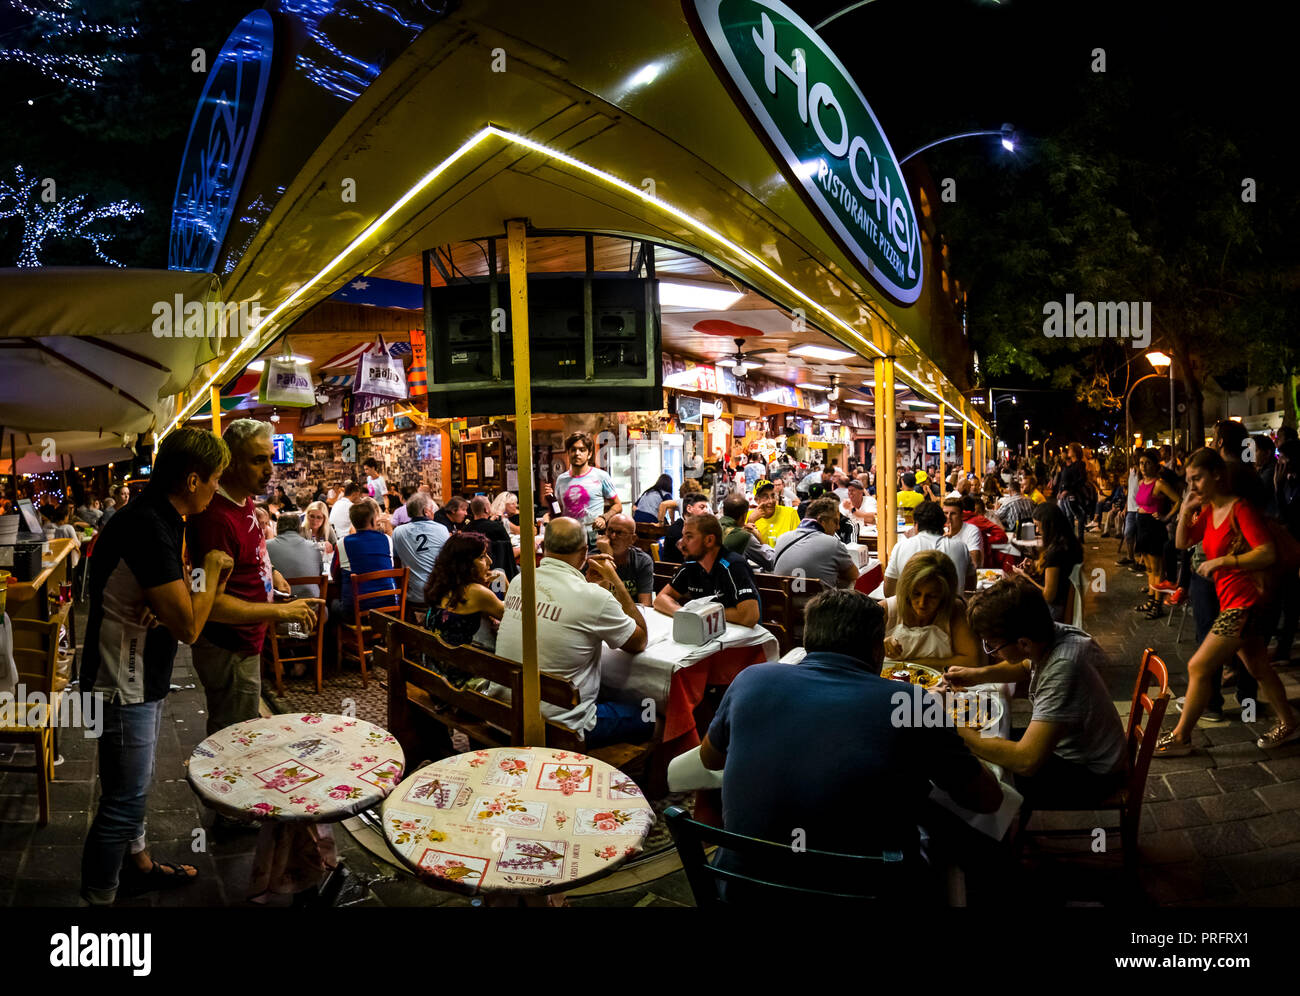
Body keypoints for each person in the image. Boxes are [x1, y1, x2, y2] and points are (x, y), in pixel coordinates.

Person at [699, 588, 1001, 885]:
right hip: (863, 892)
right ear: (876, 649)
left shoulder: (751, 679)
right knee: (951, 837)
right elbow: (988, 799)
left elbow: (710, 758)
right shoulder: (912, 703)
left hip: (743, 888)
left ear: (807, 641)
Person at [80, 428, 235, 905]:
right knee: (122, 803)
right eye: (215, 480)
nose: (217, 490)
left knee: (130, 787)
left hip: (131, 675)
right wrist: (210, 569)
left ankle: (139, 867)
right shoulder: (149, 523)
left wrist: (166, 598)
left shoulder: (160, 518)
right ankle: (98, 898)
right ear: (192, 479)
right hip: (121, 682)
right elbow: (189, 626)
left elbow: (168, 594)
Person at [1155, 448, 1300, 755]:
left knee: (1198, 666)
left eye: (1198, 479)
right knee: (1259, 667)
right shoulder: (1208, 510)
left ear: (1217, 475)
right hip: (1231, 601)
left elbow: (1267, 552)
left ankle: (1182, 738)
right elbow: (1182, 541)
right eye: (1189, 480)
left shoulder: (1240, 509)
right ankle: (1290, 722)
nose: (1192, 485)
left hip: (1244, 604)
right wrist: (1185, 509)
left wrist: (1223, 561)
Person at [186, 419, 320, 736]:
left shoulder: (243, 499)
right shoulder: (213, 518)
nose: (269, 468)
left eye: (270, 458)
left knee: (242, 728)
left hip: (245, 640)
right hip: (227, 646)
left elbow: (249, 553)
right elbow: (208, 604)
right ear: (230, 462)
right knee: (233, 738)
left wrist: (271, 572)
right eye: (258, 460)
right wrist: (279, 611)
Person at [945, 578, 1128, 809]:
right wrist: (977, 675)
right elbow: (1024, 666)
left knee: (979, 783)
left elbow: (1026, 761)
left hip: (1091, 774)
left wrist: (951, 728)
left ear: (1023, 644)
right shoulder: (1049, 633)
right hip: (1079, 749)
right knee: (989, 739)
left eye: (993, 646)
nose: (993, 653)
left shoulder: (1063, 667)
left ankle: (1000, 839)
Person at [494, 517, 650, 748]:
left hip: (505, 712)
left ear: (544, 549)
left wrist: (590, 587)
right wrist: (613, 579)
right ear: (585, 552)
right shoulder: (593, 598)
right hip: (563, 729)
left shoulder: (520, 581)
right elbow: (640, 640)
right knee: (652, 710)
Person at [880, 550, 981, 670]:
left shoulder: (955, 609)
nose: (922, 603)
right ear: (906, 589)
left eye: (932, 596)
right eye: (916, 594)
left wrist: (909, 665)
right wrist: (879, 647)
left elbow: (972, 660)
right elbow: (857, 658)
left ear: (945, 595)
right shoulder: (885, 611)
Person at [654, 513, 761, 627]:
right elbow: (660, 599)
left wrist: (702, 614)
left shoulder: (733, 566)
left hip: (741, 639)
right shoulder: (691, 565)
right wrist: (684, 613)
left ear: (709, 540)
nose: (682, 544)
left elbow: (749, 616)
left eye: (689, 537)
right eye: (683, 536)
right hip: (708, 633)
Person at [424, 531, 505, 675]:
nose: (490, 562)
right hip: (457, 680)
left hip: (432, 670)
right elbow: (514, 615)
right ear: (464, 564)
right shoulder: (476, 592)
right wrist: (503, 579)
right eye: (482, 557)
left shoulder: (441, 584)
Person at [545, 431, 621, 549]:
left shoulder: (601, 476)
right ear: (568, 453)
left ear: (589, 454)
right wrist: (549, 503)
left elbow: (617, 505)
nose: (577, 453)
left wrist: (604, 518)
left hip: (593, 539)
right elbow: (558, 512)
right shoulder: (561, 479)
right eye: (573, 450)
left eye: (582, 450)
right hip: (568, 538)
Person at [882, 501, 970, 598]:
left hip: (911, 612)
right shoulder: (961, 547)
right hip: (952, 611)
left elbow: (888, 591)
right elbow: (970, 584)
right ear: (943, 524)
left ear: (916, 524)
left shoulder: (901, 546)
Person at [1133, 448, 1182, 619]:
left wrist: (1166, 517)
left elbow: (1178, 500)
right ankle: (1150, 600)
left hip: (1154, 527)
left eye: (1147, 463)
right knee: (1148, 567)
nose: (1144, 466)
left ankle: (1157, 604)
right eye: (1141, 463)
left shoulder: (1160, 483)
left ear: (1155, 465)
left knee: (1157, 569)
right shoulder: (1141, 483)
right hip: (1142, 525)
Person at [1014, 503, 1083, 623]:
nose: (1036, 530)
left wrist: (1025, 576)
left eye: (1037, 526)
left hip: (1054, 610)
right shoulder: (1070, 542)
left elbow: (1048, 596)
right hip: (1062, 600)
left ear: (1049, 525)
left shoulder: (1056, 552)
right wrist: (1035, 565)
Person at [772, 496, 859, 590]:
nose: (838, 527)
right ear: (822, 521)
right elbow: (854, 575)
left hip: (784, 602)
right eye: (835, 521)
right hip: (818, 603)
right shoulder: (832, 543)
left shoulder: (782, 538)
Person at [336, 499, 399, 621]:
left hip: (357, 611)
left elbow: (336, 574)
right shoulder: (387, 539)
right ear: (373, 520)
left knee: (332, 604)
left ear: (353, 522)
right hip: (388, 608)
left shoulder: (342, 543)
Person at [392, 492, 450, 619]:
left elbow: (397, 566)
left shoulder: (398, 532)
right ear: (426, 511)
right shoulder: (442, 529)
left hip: (413, 595)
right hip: (438, 594)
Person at [595, 513, 654, 605]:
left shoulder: (642, 561)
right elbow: (599, 601)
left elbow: (645, 604)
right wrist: (607, 556)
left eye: (620, 533)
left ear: (633, 539)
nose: (613, 536)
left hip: (631, 614)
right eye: (610, 531)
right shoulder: (593, 559)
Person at [266, 513, 326, 600]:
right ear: (299, 528)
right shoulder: (314, 547)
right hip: (311, 606)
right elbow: (319, 572)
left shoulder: (265, 546)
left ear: (277, 528)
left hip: (280, 606)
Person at [719, 493, 774, 572]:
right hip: (731, 581)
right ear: (744, 516)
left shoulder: (712, 525)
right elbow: (771, 563)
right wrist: (760, 539)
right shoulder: (744, 536)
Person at [747, 479, 800, 547]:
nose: (771, 501)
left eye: (773, 496)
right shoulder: (749, 517)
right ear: (757, 500)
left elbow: (798, 543)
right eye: (765, 497)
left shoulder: (790, 513)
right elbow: (746, 548)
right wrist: (751, 521)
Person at [942, 495, 984, 578]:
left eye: (953, 513)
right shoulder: (941, 532)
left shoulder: (972, 530)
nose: (948, 517)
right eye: (945, 513)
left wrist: (950, 543)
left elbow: (975, 564)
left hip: (968, 578)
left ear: (961, 515)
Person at [661, 492, 709, 564]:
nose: (706, 511)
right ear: (689, 509)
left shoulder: (697, 526)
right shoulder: (677, 531)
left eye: (706, 507)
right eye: (702, 507)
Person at [328, 481, 363, 571]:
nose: (360, 498)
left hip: (334, 540)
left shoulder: (337, 503)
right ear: (355, 494)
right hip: (346, 543)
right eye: (359, 495)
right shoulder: (351, 507)